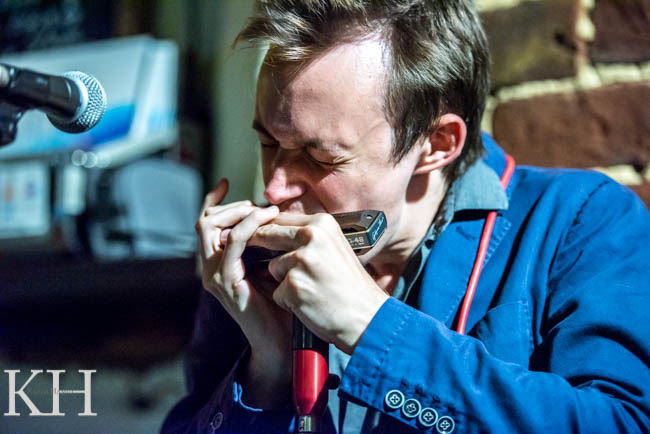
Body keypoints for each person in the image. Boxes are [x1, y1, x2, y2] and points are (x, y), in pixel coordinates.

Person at [162, 1, 650, 432]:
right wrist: (268, 373)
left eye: (319, 156)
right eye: (269, 143)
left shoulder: (578, 222)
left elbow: (621, 422)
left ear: (437, 144)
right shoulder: (256, 271)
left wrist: (374, 327)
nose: (274, 188)